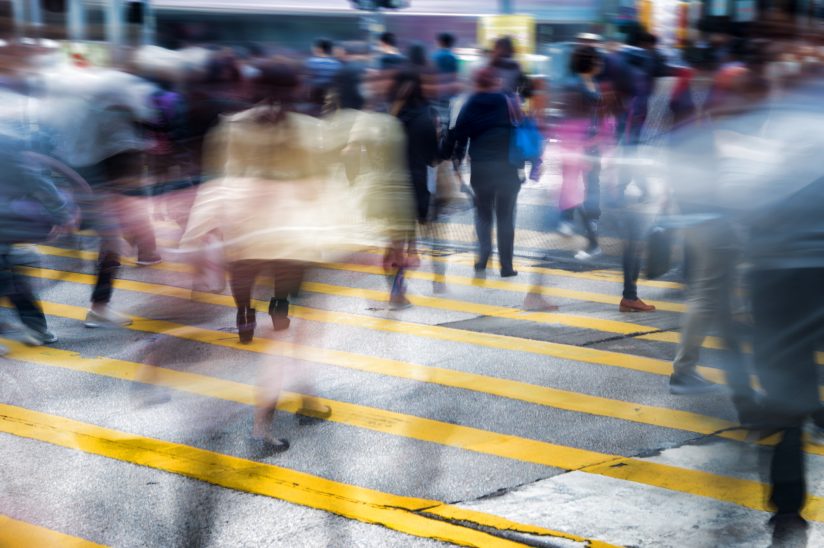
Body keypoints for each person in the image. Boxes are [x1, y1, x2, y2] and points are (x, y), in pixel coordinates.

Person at [452, 67, 520, 278]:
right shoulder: (509, 101)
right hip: (507, 167)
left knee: (483, 213)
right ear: (496, 82)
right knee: (506, 216)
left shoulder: (471, 103)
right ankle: (506, 267)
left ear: (477, 83)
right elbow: (523, 130)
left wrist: (456, 159)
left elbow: (460, 134)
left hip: (481, 168)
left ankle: (482, 259)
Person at [556, 45, 605, 260]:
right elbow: (569, 118)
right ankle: (569, 221)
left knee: (592, 182)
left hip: (591, 143)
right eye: (597, 60)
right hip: (577, 144)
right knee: (571, 183)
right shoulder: (574, 85)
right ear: (590, 62)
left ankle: (590, 221)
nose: (600, 64)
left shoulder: (593, 84)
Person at [304, 38, 342, 113]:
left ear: (319, 49)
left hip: (312, 99)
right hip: (331, 99)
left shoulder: (310, 62)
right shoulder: (338, 64)